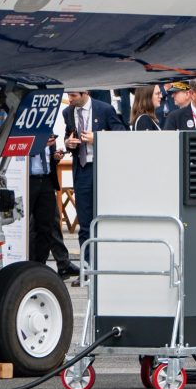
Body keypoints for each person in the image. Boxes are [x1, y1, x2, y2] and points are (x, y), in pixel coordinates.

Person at [63, 89, 128, 251]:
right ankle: (87, 268)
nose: (69, 99)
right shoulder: (68, 112)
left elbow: (122, 134)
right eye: (68, 95)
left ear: (85, 93)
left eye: (73, 95)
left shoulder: (104, 109)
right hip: (82, 169)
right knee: (84, 222)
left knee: (104, 218)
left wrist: (98, 138)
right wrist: (67, 143)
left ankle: (106, 261)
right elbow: (68, 134)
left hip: (102, 169)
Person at [27, 124, 78, 280]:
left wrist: (55, 156)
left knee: (47, 225)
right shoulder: (26, 128)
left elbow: (48, 156)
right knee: (30, 227)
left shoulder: (47, 129)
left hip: (47, 180)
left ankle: (41, 266)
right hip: (28, 181)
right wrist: (40, 144)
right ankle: (32, 265)